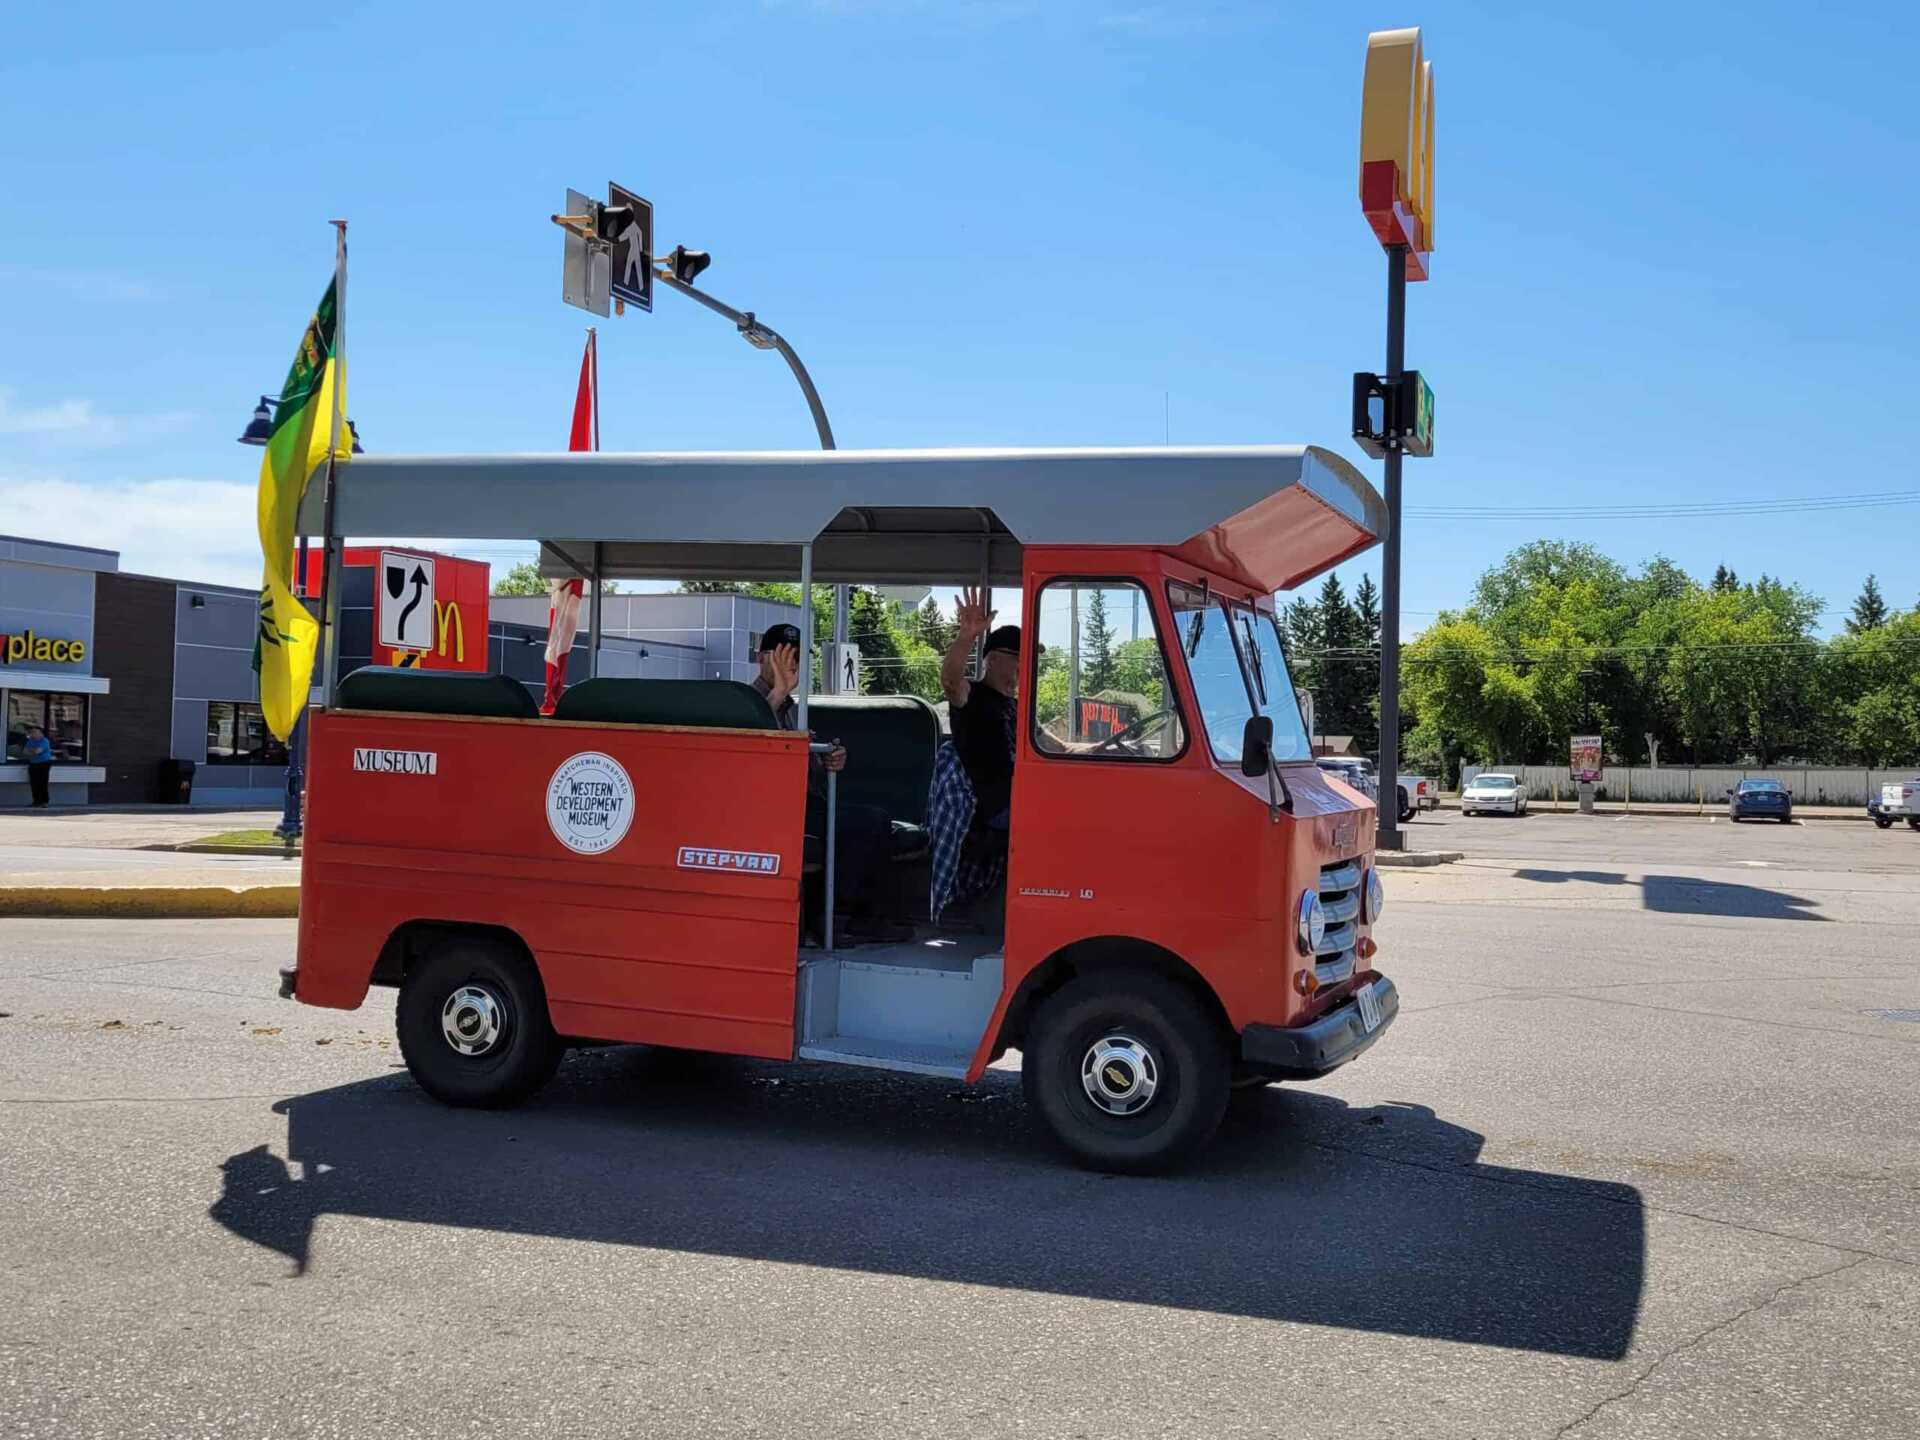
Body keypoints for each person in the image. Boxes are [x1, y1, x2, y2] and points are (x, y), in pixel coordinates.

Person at [751, 624, 903, 941]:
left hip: (805, 803)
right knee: (868, 822)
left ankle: (860, 917)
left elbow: (802, 760)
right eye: (784, 654)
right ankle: (833, 918)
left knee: (876, 819)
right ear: (763, 658)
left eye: (798, 656)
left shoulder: (793, 709)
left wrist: (828, 758)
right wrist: (777, 693)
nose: (793, 663)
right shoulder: (749, 702)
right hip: (771, 814)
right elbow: (752, 746)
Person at [941, 587, 1019, 831]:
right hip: (992, 811)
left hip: (1021, 800)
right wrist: (967, 635)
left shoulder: (1019, 707)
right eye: (1019, 655)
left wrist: (1099, 751)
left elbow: (1057, 747)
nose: (1027, 664)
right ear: (993, 660)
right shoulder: (973, 697)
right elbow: (951, 682)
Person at [23, 725, 54, 808]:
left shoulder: (44, 741)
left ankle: (44, 802)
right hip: (33, 763)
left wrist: (31, 750)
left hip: (44, 763)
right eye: (32, 732)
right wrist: (33, 750)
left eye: (35, 732)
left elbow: (38, 751)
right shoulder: (30, 741)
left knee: (43, 782)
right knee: (34, 783)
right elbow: (25, 752)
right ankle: (36, 801)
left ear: (40, 733)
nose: (33, 734)